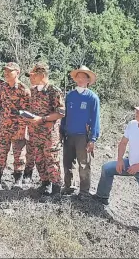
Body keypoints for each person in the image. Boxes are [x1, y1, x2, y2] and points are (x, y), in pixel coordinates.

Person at [93, 102, 139, 238]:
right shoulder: (132, 124)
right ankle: (102, 198)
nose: (136, 112)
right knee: (107, 168)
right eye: (136, 110)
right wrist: (120, 160)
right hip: (130, 164)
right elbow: (123, 143)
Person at [0, 62, 30, 190]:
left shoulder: (24, 90)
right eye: (5, 71)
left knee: (19, 155)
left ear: (17, 72)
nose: (6, 73)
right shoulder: (3, 87)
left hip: (18, 128)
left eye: (9, 71)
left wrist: (22, 129)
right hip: (4, 127)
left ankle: (18, 180)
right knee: (0, 153)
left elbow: (27, 112)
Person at [25, 63, 65, 195]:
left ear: (42, 75)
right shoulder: (33, 91)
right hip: (35, 132)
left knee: (51, 159)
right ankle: (45, 183)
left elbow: (60, 113)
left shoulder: (54, 91)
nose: (31, 78)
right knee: (39, 158)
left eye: (33, 75)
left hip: (49, 134)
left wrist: (42, 119)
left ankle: (56, 188)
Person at [60, 65, 101, 196]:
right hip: (69, 134)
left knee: (84, 164)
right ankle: (69, 186)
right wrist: (61, 131)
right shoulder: (70, 96)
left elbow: (95, 119)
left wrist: (93, 139)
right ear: (75, 78)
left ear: (88, 80)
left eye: (84, 76)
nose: (81, 79)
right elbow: (64, 116)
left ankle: (84, 191)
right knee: (67, 162)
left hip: (83, 136)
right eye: (79, 76)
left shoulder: (92, 98)